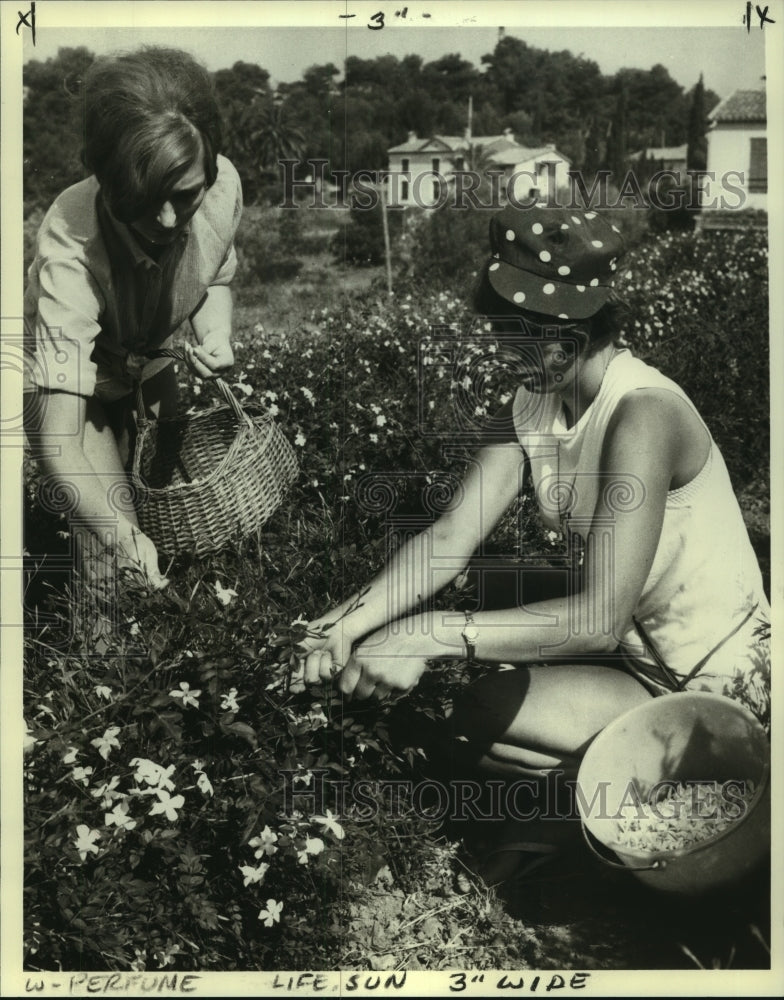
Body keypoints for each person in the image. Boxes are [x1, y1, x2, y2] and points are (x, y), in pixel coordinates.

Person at [298, 205, 771, 871]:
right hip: (642, 657)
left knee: (468, 699)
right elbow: (449, 538)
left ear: (574, 327)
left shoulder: (643, 414)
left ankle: (629, 814)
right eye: (500, 329)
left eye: (518, 333)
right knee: (470, 627)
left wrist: (429, 632)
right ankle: (601, 804)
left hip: (714, 687)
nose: (503, 349)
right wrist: (342, 625)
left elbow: (599, 618)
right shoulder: (532, 404)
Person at [24, 47, 243, 589]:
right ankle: (97, 659)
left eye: (185, 195)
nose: (168, 220)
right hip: (78, 380)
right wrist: (121, 536)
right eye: (145, 200)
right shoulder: (70, 247)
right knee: (108, 542)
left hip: (145, 357)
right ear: (106, 175)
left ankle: (176, 643)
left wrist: (215, 333)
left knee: (170, 508)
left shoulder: (220, 188)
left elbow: (214, 275)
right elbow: (60, 440)